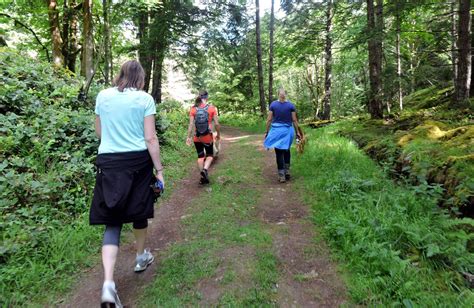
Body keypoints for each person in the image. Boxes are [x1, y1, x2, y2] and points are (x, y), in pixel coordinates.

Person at [90, 60, 165, 307]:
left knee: (112, 222)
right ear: (140, 78)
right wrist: (160, 170)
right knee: (139, 210)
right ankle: (141, 257)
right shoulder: (144, 99)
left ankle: (108, 285)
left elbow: (99, 132)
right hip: (137, 163)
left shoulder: (103, 96)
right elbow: (150, 137)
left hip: (109, 163)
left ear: (120, 75)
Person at [264, 88, 301, 183]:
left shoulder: (273, 105)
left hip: (276, 131)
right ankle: (287, 171)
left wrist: (267, 132)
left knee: (279, 153)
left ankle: (281, 176)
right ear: (286, 95)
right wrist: (297, 132)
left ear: (278, 95)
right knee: (286, 150)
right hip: (288, 131)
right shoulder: (291, 106)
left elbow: (269, 120)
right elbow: (294, 120)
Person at [186, 90, 220, 184]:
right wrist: (218, 134)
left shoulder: (193, 109)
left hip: (197, 137)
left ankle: (203, 176)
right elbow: (217, 124)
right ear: (207, 97)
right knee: (209, 155)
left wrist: (188, 137)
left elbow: (191, 124)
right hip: (208, 137)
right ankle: (205, 170)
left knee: (200, 156)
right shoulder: (212, 108)